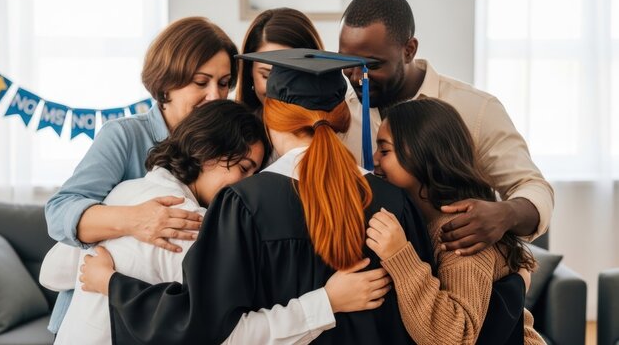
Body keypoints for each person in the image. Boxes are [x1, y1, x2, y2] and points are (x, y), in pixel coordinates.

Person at [80, 49, 435, 344]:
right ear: (341, 118)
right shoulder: (393, 201)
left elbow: (214, 333)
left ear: (271, 119)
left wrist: (115, 287)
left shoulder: (243, 205)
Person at [43, 16, 238, 333]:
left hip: (164, 318)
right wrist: (135, 220)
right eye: (201, 82)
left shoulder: (225, 146)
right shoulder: (125, 136)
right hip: (95, 318)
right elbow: (59, 211)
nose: (216, 96)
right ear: (166, 86)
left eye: (225, 82)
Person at [338, 0, 554, 256]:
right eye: (347, 62)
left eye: (371, 64)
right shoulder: (339, 116)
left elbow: (533, 187)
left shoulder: (477, 110)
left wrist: (505, 213)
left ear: (409, 50)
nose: (357, 76)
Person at [48, 100, 267, 344]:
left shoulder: (122, 191)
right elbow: (213, 328)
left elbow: (50, 274)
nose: (248, 184)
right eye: (244, 168)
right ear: (207, 151)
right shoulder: (193, 223)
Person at [367, 97, 545, 344]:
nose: (373, 159)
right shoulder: (421, 221)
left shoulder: (461, 231)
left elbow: (456, 338)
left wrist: (400, 256)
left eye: (384, 150)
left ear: (423, 154)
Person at [236, 7, 324, 115]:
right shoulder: (233, 128)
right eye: (266, 76)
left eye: (291, 76)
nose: (278, 89)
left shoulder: (342, 126)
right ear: (250, 72)